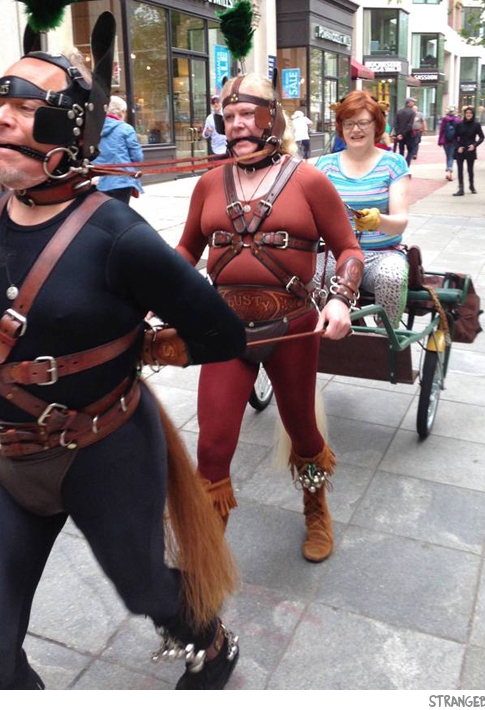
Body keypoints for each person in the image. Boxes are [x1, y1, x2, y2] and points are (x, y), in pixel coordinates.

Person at [0, 13, 245, 691]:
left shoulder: (120, 237)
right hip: (7, 458)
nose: (1, 118)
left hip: (107, 453)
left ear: (73, 130)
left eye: (27, 108)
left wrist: (140, 347)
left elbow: (221, 333)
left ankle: (211, 640)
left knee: (147, 592)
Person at [176, 73, 364, 563]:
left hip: (294, 328)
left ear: (271, 118)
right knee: (212, 447)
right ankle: (205, 555)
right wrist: (151, 289)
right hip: (225, 331)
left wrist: (341, 298)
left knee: (304, 433)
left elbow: (348, 248)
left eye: (247, 113)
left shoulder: (309, 181)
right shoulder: (208, 183)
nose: (236, 124)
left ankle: (316, 506)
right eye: (228, 116)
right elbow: (185, 251)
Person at [317, 90, 410, 329]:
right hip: (337, 255)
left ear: (376, 125)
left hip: (382, 254)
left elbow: (400, 221)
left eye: (362, 123)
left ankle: (385, 337)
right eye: (348, 123)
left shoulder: (393, 163)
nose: (355, 130)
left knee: (392, 277)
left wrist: (378, 221)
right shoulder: (326, 165)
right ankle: (317, 336)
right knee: (307, 277)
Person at [95, 94, 144, 202]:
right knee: (120, 209)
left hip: (97, 180)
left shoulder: (94, 129)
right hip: (121, 181)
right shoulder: (126, 129)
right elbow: (137, 157)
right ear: (121, 112)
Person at [452, 105, 485, 196]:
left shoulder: (476, 125)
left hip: (470, 149)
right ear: (464, 114)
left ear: (473, 114)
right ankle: (461, 188)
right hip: (461, 149)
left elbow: (482, 137)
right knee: (460, 169)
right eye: (467, 113)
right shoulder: (459, 124)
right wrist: (458, 147)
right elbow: (454, 137)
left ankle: (471, 186)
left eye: (470, 113)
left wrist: (475, 145)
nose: (468, 114)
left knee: (470, 169)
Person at [438, 106, 460, 180]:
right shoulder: (458, 119)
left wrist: (440, 141)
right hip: (454, 140)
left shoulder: (444, 119)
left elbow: (441, 130)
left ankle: (448, 170)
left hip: (445, 140)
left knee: (448, 156)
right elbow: (460, 131)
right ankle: (449, 171)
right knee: (451, 156)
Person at [392, 97, 416, 165]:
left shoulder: (399, 111)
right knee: (410, 150)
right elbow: (410, 125)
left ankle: (401, 164)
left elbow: (395, 124)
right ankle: (406, 164)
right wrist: (403, 133)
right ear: (409, 103)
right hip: (408, 134)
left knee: (401, 150)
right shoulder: (412, 112)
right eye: (413, 102)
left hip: (400, 135)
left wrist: (398, 133)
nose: (414, 103)